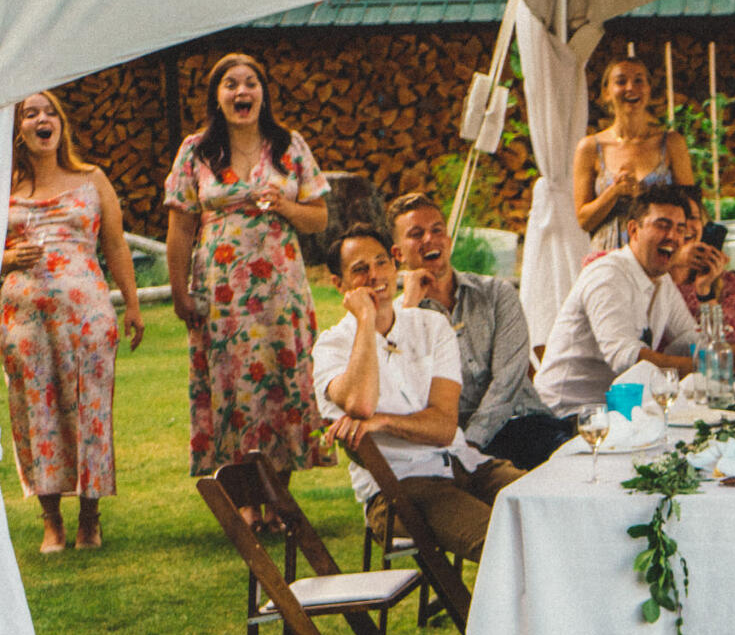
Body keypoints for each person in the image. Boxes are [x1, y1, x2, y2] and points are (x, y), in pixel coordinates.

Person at [160, 52, 333, 515]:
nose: (242, 92)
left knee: (282, 381)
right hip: (223, 294)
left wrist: (285, 206)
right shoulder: (197, 151)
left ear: (263, 93)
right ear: (216, 97)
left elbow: (319, 218)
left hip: (280, 289)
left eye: (251, 83)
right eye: (231, 84)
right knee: (233, 386)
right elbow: (180, 227)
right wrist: (179, 292)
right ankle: (246, 504)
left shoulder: (289, 145)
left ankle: (278, 499)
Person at [313, 227, 524, 560]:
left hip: (465, 464)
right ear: (339, 284)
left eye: (381, 262)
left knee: (552, 507)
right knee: (504, 545)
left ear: (395, 265)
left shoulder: (431, 326)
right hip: (399, 488)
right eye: (360, 269)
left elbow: (443, 428)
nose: (374, 275)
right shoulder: (331, 347)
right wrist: (365, 319)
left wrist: (382, 422)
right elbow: (361, 404)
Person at [5, 91, 143, 552]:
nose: (42, 120)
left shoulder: (91, 178)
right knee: (35, 412)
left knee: (89, 411)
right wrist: (7, 259)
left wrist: (132, 305)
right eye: (31, 114)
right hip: (24, 321)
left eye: (50, 113)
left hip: (87, 317)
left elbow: (116, 245)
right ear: (17, 129)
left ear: (61, 124)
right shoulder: (5, 184)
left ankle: (90, 517)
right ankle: (51, 521)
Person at [387, 194, 576, 470]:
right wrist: (410, 307)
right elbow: (402, 389)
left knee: (578, 468)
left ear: (448, 239)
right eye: (416, 234)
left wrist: (470, 445)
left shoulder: (496, 294)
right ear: (398, 254)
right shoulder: (396, 318)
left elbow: (508, 380)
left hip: (522, 422)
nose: (430, 239)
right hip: (452, 440)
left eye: (437, 230)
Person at [534, 186, 699, 415]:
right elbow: (625, 358)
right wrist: (701, 366)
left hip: (620, 412)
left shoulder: (662, 280)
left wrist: (725, 354)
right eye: (662, 225)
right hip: (567, 414)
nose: (672, 236)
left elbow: (688, 337)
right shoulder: (607, 274)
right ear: (634, 230)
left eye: (680, 229)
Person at [571, 54, 694, 253]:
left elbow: (691, 210)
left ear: (648, 89)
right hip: (608, 255)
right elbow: (584, 221)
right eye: (621, 81)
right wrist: (613, 192)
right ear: (606, 93)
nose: (630, 88)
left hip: (660, 254)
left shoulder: (671, 143)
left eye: (639, 81)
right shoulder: (590, 148)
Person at [668, 191, 735, 345]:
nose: (686, 225)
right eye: (676, 220)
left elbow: (731, 342)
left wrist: (705, 290)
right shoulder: (652, 279)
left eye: (693, 217)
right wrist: (673, 260)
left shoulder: (726, 281)